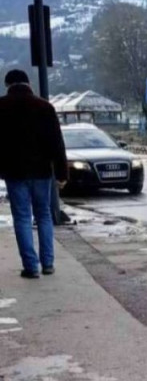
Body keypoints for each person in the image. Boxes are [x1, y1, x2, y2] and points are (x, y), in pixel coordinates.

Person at [0, 70, 68, 278]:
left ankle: (31, 267)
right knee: (44, 215)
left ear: (7, 84)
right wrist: (61, 173)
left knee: (21, 218)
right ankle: (48, 263)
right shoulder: (45, 107)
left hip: (14, 172)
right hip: (42, 172)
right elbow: (57, 143)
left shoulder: (1, 107)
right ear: (28, 83)